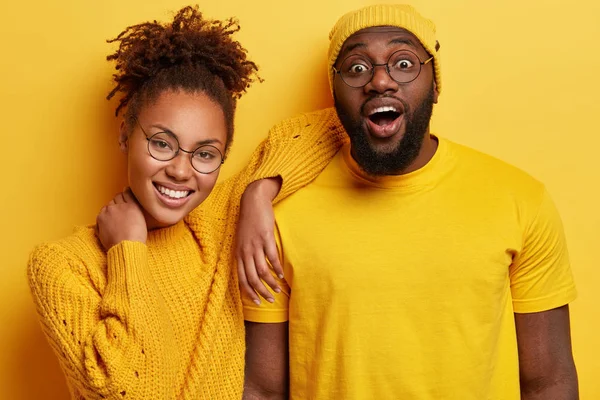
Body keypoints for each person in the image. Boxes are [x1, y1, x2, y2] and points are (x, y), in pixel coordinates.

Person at [241, 4, 578, 399]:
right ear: (334, 94)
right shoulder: (276, 217)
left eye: (403, 63)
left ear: (436, 84)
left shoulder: (521, 199)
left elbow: (549, 380)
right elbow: (262, 389)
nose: (380, 81)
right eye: (357, 68)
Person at [27, 6, 342, 399]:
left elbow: (329, 126)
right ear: (125, 135)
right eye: (162, 143)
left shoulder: (218, 223)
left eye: (205, 154)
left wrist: (257, 193)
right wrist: (128, 251)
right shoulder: (62, 265)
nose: (181, 170)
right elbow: (127, 389)